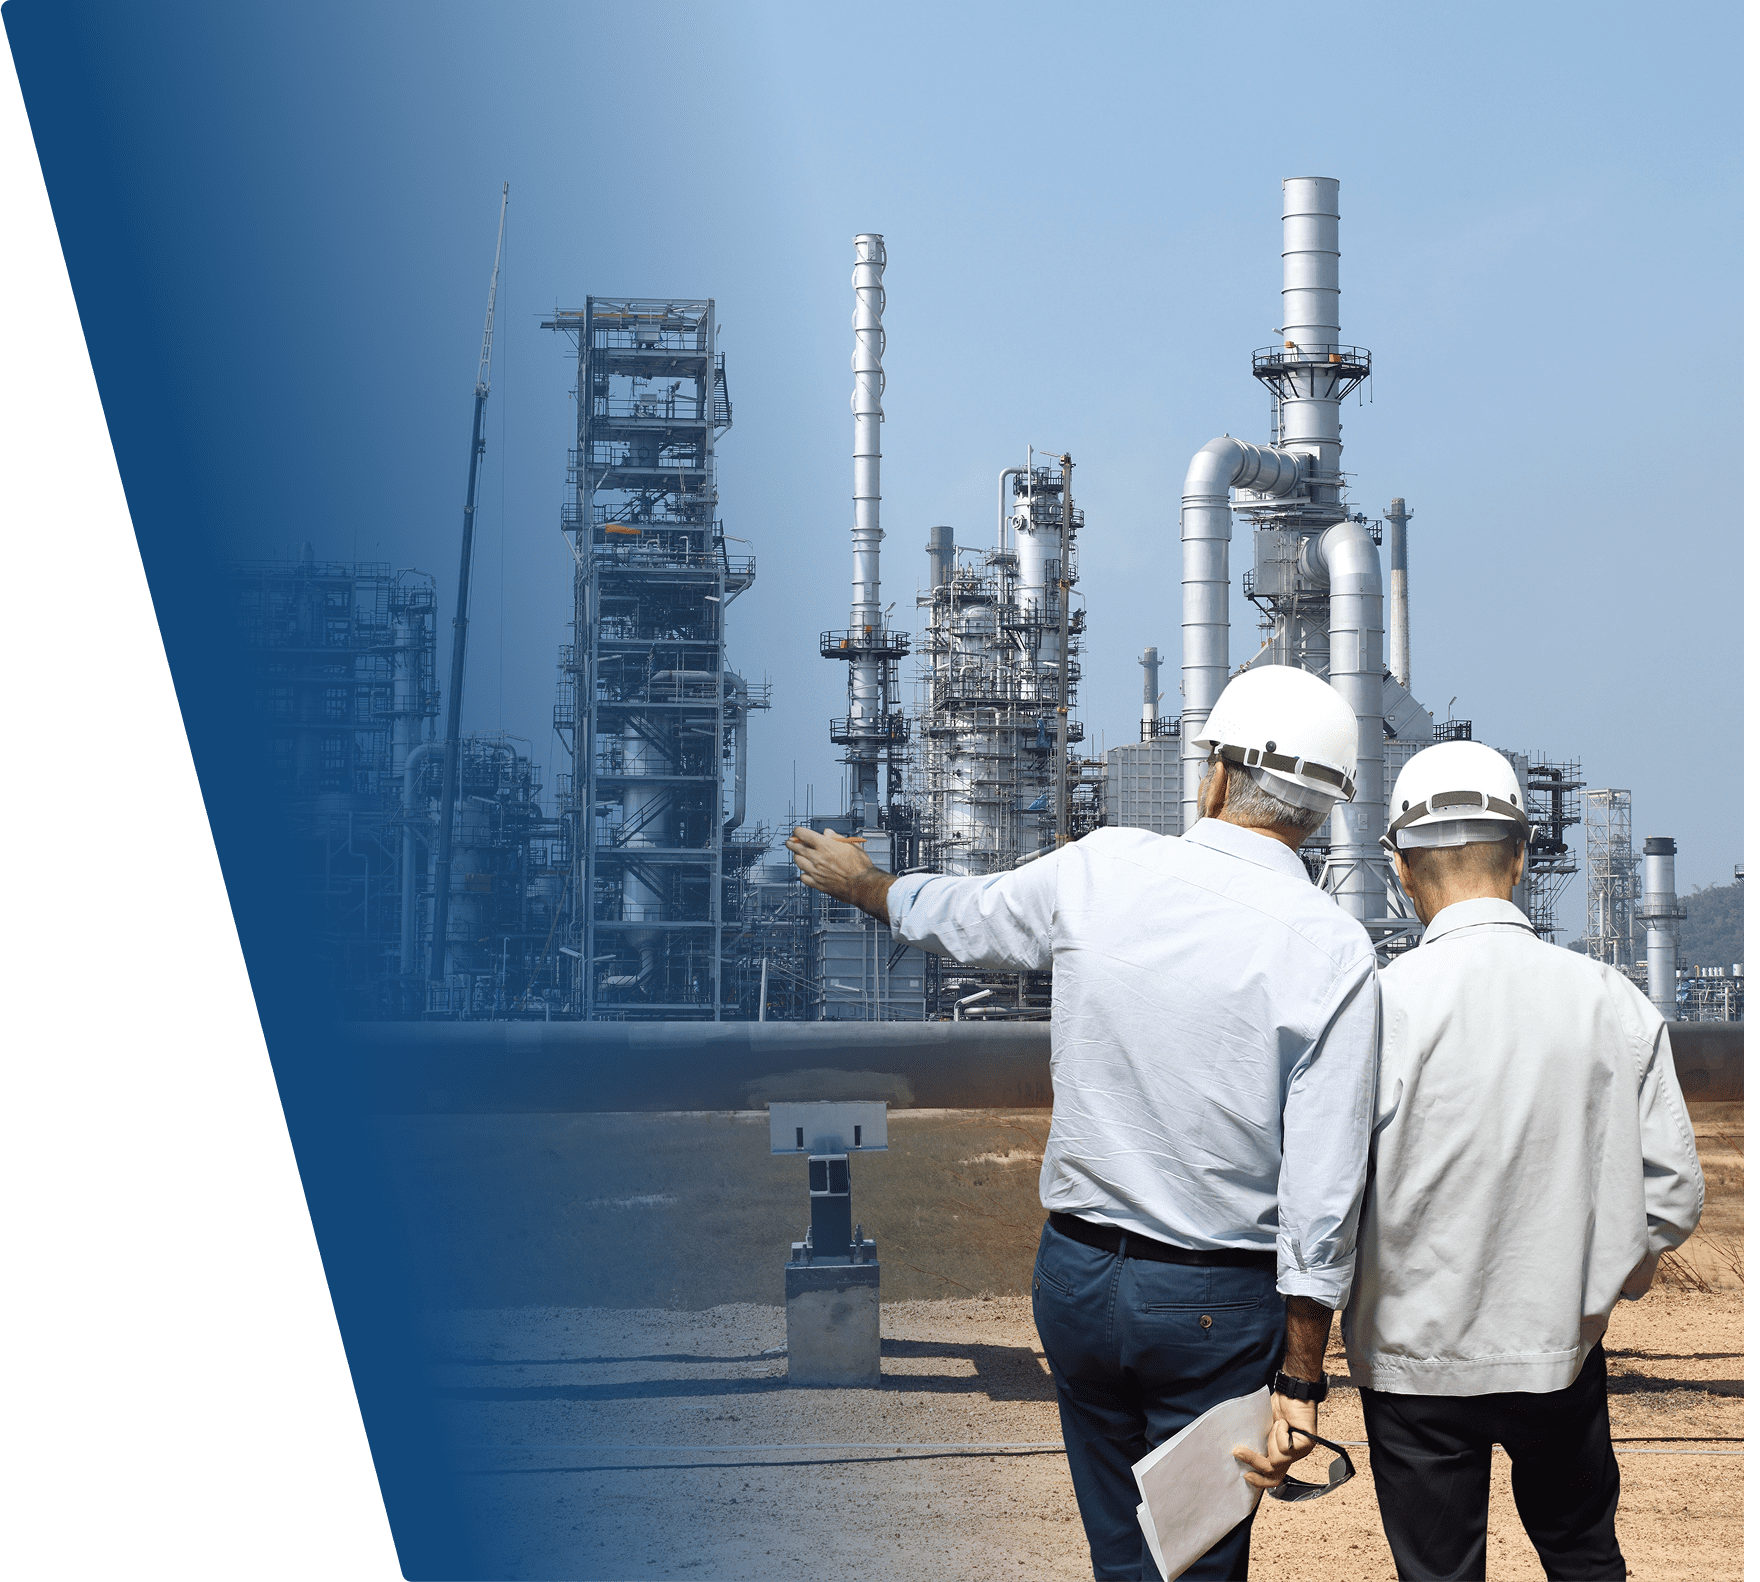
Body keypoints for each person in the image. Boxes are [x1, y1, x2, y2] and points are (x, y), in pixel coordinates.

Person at [789, 665, 1380, 1580]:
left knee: (1122, 1550)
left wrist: (867, 884)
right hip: (1213, 1303)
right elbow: (1324, 1187)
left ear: (1214, 774)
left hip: (1076, 1277)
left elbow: (968, 916)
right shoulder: (1333, 950)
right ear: (1325, 811)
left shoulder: (1106, 868)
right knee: (1196, 1556)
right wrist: (1303, 1374)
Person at [1342, 741, 1704, 1581]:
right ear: (1521, 857)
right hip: (1559, 1352)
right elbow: (1675, 1197)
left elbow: (1330, 1194)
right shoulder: (1608, 999)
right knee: (1583, 1557)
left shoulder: (1377, 1009)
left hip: (1413, 1364)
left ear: (1400, 869)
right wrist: (1599, 1280)